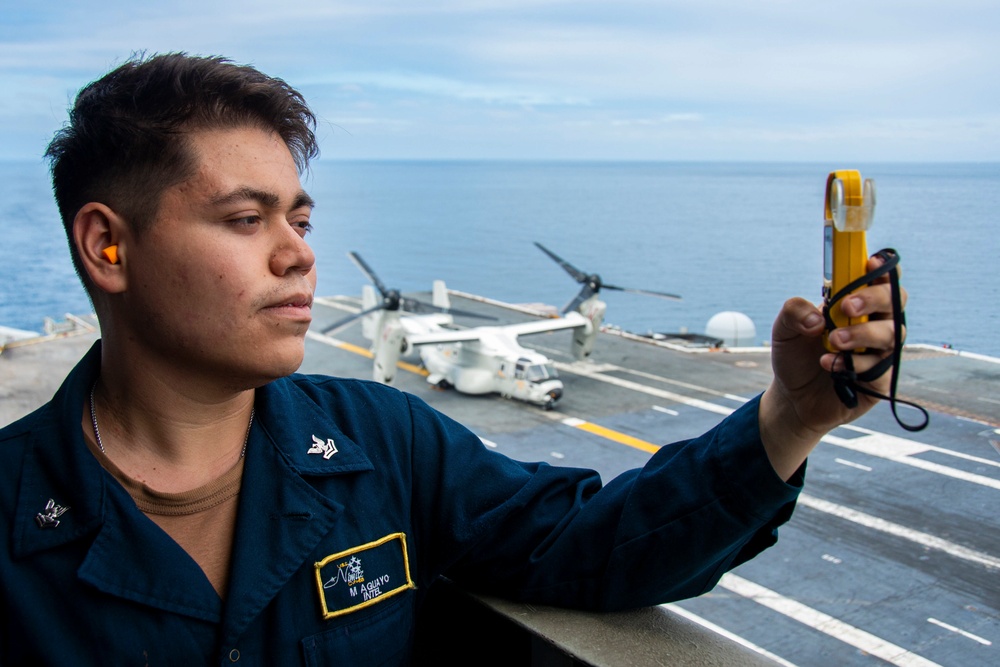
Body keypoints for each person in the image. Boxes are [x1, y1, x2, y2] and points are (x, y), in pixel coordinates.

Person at [0, 53, 906, 665]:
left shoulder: (383, 443)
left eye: (300, 219)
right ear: (108, 247)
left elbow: (595, 547)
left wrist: (792, 417)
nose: (299, 254)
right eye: (247, 220)